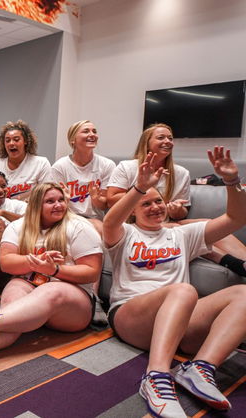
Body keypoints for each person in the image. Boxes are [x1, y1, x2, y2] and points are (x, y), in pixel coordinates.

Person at [102, 148, 246, 417]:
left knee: (243, 294)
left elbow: (236, 219)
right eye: (146, 203)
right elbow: (110, 221)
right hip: (132, 316)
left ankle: (201, 369)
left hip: (179, 321)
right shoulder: (126, 234)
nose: (155, 207)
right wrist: (140, 187)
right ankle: (155, 377)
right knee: (183, 290)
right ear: (133, 213)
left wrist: (231, 182)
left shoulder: (183, 234)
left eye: (158, 202)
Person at [0, 182, 102, 373]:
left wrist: (54, 270)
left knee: (50, 290)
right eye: (50, 201)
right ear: (36, 204)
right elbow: (6, 263)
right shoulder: (18, 226)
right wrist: (35, 262)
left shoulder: (79, 227)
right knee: (14, 290)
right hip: (30, 287)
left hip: (72, 306)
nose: (59, 205)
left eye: (61, 200)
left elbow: (92, 271)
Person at [107, 123, 246, 277]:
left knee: (208, 225)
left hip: (168, 222)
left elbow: (181, 214)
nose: (167, 141)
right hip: (134, 223)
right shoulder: (127, 167)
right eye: (161, 137)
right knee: (177, 230)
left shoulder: (181, 173)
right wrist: (144, 195)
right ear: (146, 142)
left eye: (170, 138)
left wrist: (176, 210)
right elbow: (112, 199)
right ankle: (228, 261)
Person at [49, 120, 115, 232]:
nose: (92, 134)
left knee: (99, 228)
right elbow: (54, 204)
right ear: (72, 140)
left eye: (94, 131)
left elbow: (104, 205)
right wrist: (65, 199)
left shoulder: (107, 165)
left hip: (96, 219)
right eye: (86, 131)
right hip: (67, 219)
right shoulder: (60, 167)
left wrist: (96, 198)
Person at [0, 120, 51, 201]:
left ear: (25, 141)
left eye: (16, 139)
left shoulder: (41, 163)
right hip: (2, 211)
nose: (11, 143)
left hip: (30, 211)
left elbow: (47, 195)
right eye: (7, 140)